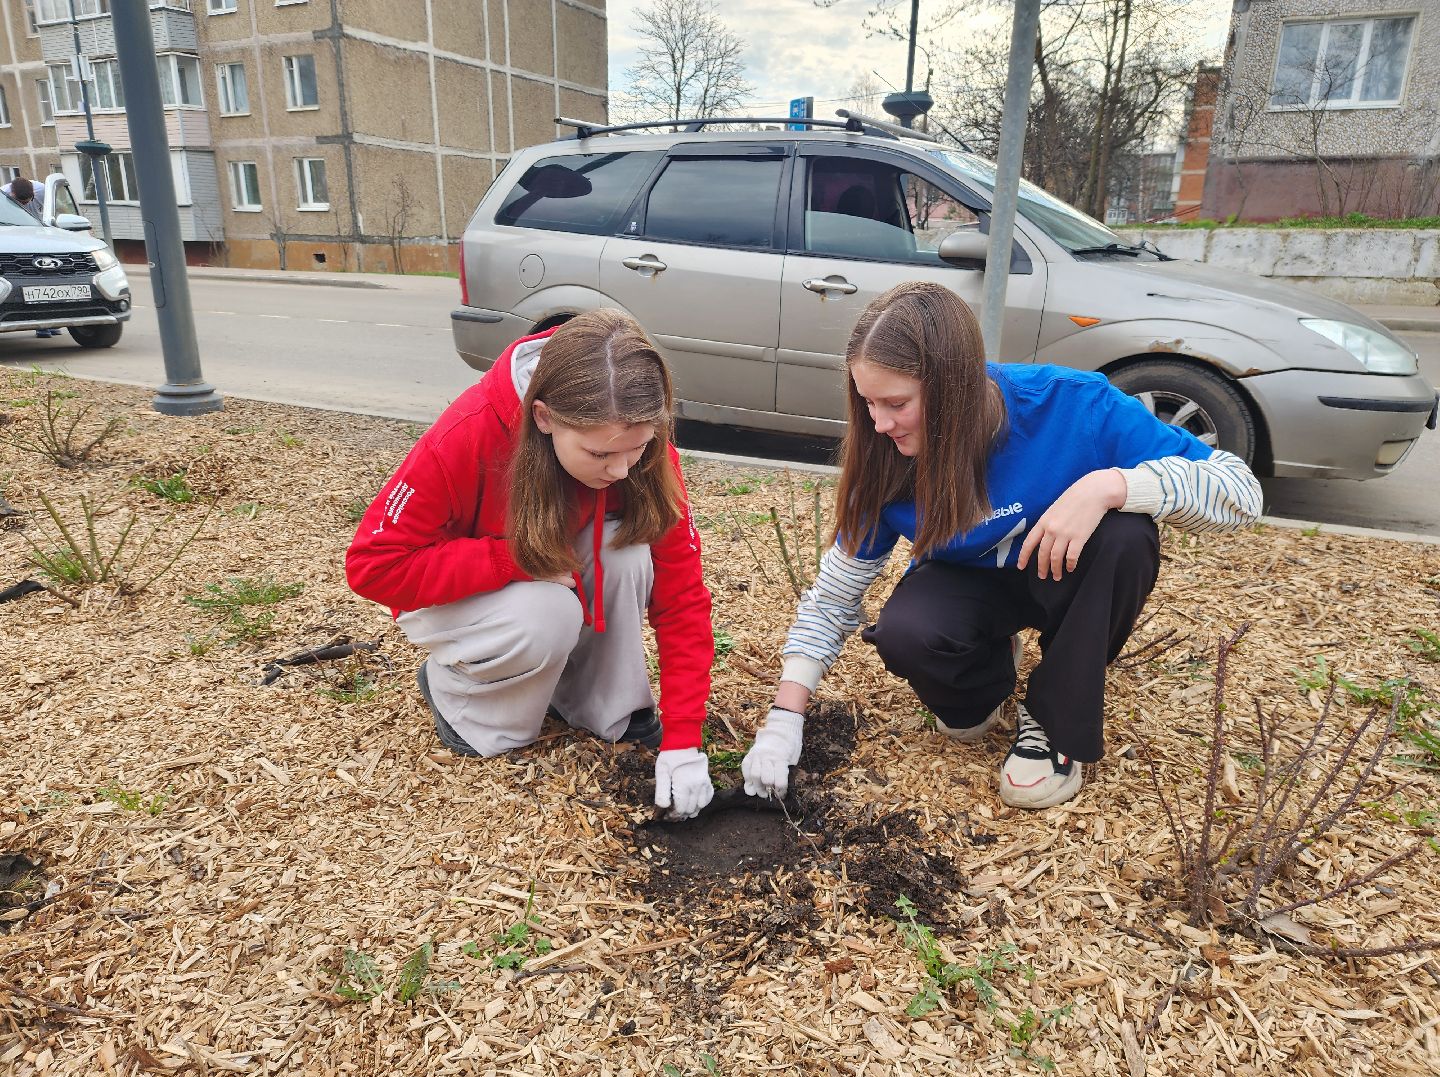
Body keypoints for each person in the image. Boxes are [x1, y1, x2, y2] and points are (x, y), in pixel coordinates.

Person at [742, 281, 1262, 810]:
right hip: (969, 582)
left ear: (955, 389)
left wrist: (1109, 486)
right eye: (867, 402)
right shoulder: (884, 455)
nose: (878, 424)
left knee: (1127, 535)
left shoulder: (1072, 406)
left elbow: (1242, 492)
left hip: (1066, 573)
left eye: (896, 403)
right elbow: (834, 598)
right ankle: (988, 668)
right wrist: (784, 720)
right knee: (918, 653)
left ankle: (1055, 719)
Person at [345, 310, 716, 820]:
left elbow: (682, 600)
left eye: (639, 448)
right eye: (599, 454)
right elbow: (373, 566)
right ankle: (465, 706)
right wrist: (513, 558)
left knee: (628, 551)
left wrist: (683, 739)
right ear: (543, 418)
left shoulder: (640, 451)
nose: (622, 469)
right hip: (458, 592)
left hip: (545, 562)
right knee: (546, 613)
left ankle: (598, 702)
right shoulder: (469, 430)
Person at [2, 176, 61, 338]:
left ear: (34, 193)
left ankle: (52, 322)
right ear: (12, 194)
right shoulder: (3, 195)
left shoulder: (43, 191)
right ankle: (41, 326)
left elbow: (58, 209)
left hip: (41, 238)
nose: (24, 205)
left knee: (51, 284)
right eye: (19, 203)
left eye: (27, 202)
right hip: (18, 243)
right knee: (33, 286)